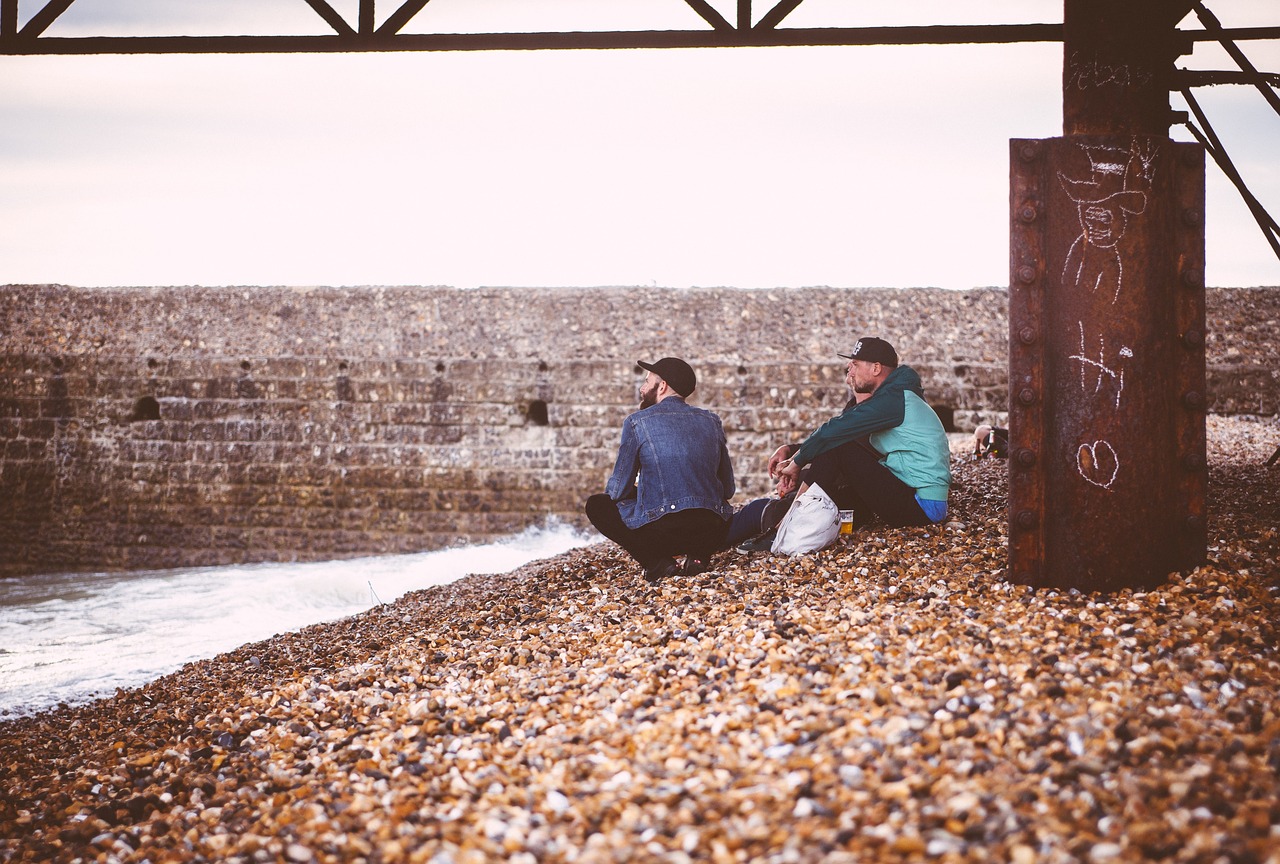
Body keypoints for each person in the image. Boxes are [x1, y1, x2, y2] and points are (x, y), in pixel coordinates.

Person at [763, 336, 951, 538]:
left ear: (876, 369)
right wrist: (793, 453)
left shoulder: (892, 400)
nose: (849, 369)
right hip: (914, 493)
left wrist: (797, 461)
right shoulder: (895, 396)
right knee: (835, 451)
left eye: (855, 364)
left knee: (838, 445)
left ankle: (789, 524)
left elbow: (835, 432)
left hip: (922, 506)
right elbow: (847, 436)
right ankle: (789, 517)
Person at [585, 357, 735, 583]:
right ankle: (697, 558)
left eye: (646, 382)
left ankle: (658, 563)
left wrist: (641, 492)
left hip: (664, 532)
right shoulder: (711, 421)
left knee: (597, 505)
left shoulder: (637, 422)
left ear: (662, 386)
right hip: (710, 531)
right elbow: (728, 489)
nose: (642, 389)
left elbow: (616, 490)